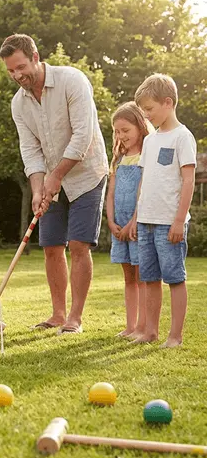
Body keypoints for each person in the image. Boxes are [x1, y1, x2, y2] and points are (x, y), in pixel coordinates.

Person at [0, 33, 109, 335]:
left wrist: (56, 176)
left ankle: (75, 317)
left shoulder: (72, 81)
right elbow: (31, 151)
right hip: (49, 180)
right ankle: (57, 314)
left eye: (20, 67)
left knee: (77, 245)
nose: (17, 75)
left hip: (87, 174)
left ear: (35, 57)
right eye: (10, 71)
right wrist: (37, 189)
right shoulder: (18, 104)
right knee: (50, 246)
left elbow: (83, 136)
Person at [132, 74, 196, 348]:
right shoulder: (150, 141)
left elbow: (188, 180)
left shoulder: (183, 137)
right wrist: (136, 217)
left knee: (174, 278)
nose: (146, 116)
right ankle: (150, 332)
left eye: (149, 109)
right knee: (148, 279)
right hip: (145, 222)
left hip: (169, 223)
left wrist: (179, 221)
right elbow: (144, 181)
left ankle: (175, 336)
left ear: (167, 103)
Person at [106, 102, 152, 339]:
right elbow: (111, 193)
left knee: (141, 275)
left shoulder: (147, 156)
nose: (121, 136)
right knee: (128, 277)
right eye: (117, 131)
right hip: (119, 227)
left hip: (136, 226)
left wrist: (133, 222)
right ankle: (130, 326)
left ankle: (144, 326)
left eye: (126, 130)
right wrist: (111, 221)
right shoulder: (118, 159)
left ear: (140, 127)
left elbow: (143, 194)